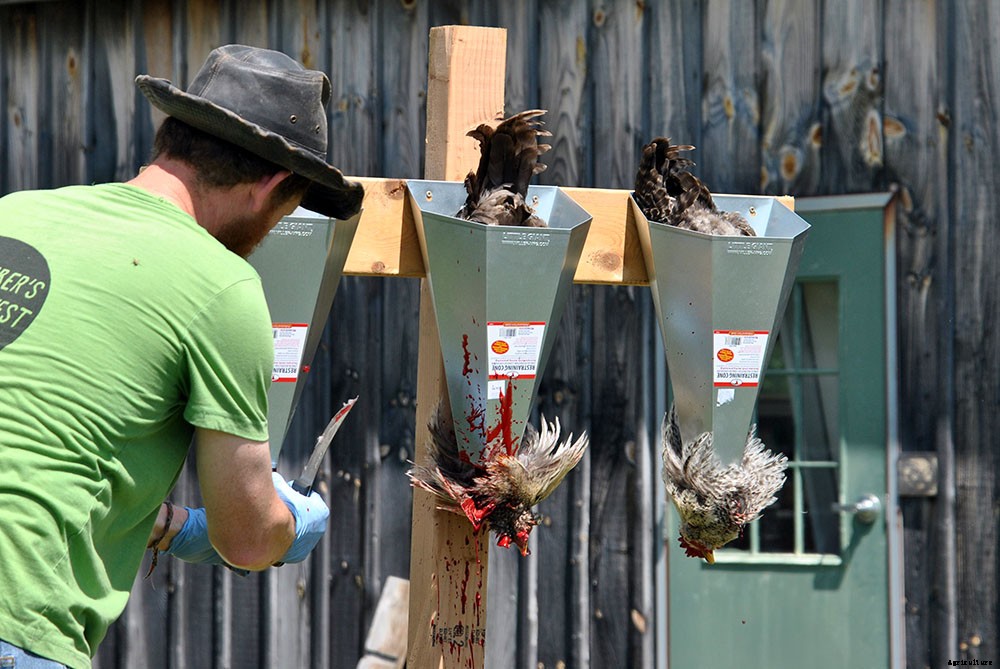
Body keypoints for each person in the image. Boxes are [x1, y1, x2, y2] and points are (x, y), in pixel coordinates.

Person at [0, 45, 364, 669]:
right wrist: (289, 525)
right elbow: (247, 537)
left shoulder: (16, 213)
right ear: (273, 185)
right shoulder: (222, 284)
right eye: (286, 213)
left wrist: (178, 527)